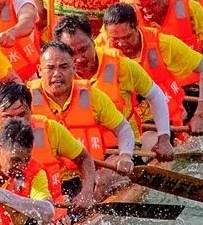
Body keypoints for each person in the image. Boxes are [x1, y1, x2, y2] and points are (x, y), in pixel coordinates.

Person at [0, 79, 97, 205]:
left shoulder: (51, 130)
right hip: (4, 216)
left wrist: (87, 192)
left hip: (49, 208)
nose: (16, 121)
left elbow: (84, 158)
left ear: (31, 109)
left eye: (22, 114)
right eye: (7, 117)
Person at [53, 15, 174, 160]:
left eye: (83, 49)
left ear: (93, 40)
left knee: (102, 181)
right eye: (72, 53)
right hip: (83, 152)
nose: (79, 58)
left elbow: (155, 96)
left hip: (123, 147)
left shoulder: (122, 66)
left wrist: (164, 137)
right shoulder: (55, 79)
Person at [30, 41, 138, 194]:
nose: (57, 74)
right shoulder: (25, 101)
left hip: (90, 173)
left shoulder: (92, 96)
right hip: (48, 182)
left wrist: (126, 156)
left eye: (64, 67)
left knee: (104, 180)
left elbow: (123, 128)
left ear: (74, 68)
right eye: (50, 68)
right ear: (40, 70)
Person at [100, 2, 203, 137]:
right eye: (115, 39)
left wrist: (200, 115)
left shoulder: (165, 44)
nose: (121, 44)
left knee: (148, 142)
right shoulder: (98, 50)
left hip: (159, 117)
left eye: (127, 37)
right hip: (123, 120)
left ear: (137, 26)